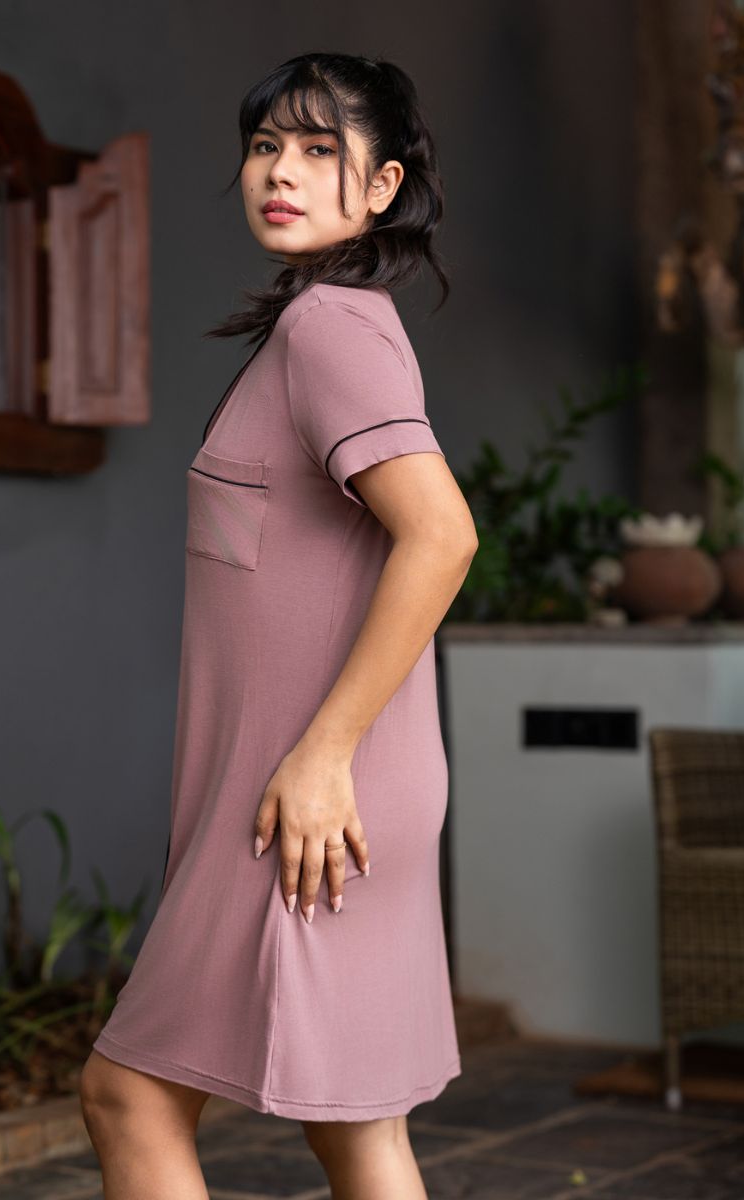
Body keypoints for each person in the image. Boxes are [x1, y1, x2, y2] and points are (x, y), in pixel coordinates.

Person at [80, 51, 479, 1200]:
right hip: (326, 785)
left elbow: (442, 536)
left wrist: (322, 755)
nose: (280, 172)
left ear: (384, 184)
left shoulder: (330, 331)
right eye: (266, 146)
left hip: (305, 794)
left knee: (127, 1096)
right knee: (355, 1129)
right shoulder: (328, 324)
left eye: (317, 148)